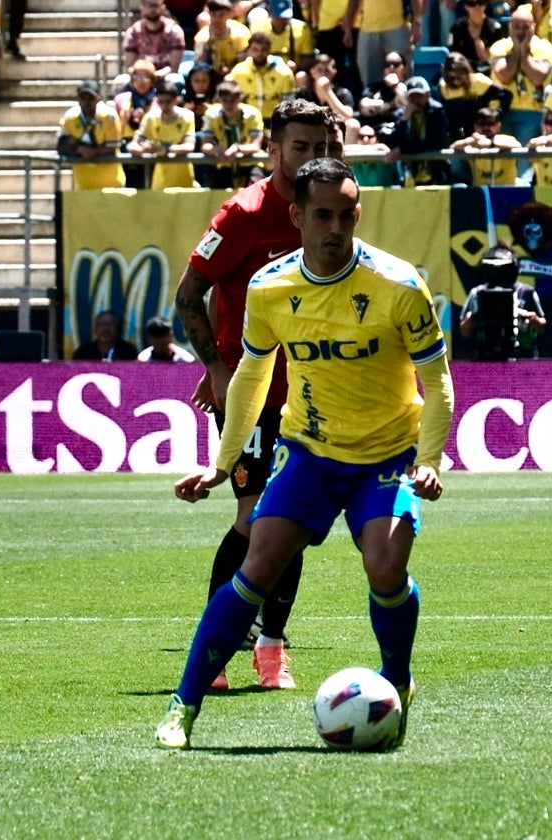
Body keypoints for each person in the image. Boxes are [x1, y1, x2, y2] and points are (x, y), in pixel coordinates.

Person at [157, 156, 455, 750]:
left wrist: (430, 459)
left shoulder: (399, 284)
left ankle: (397, 679)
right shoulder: (270, 289)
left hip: (388, 454)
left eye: (346, 214)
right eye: (321, 214)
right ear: (296, 216)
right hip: (311, 452)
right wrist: (221, 464)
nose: (335, 227)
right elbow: (251, 374)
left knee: (385, 566)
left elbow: (438, 380)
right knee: (258, 564)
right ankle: (183, 706)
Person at [174, 99, 331, 692]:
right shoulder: (243, 214)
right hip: (254, 393)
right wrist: (216, 367)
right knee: (255, 516)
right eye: (301, 147)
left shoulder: (328, 211)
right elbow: (190, 296)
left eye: (322, 147)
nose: (313, 158)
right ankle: (215, 646)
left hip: (316, 397)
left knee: (293, 522)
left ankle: (270, 649)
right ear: (274, 149)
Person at [459, 244, 546, 359]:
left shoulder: (526, 292)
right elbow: (464, 331)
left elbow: (542, 326)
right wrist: (473, 318)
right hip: (485, 357)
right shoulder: (477, 293)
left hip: (522, 357)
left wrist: (531, 318)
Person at [490, 6, 552, 147]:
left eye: (525, 27)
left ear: (533, 26)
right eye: (517, 27)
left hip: (533, 112)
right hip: (503, 112)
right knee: (505, 162)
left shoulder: (545, 47)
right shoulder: (499, 47)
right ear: (510, 26)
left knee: (524, 163)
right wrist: (516, 50)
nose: (520, 31)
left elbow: (538, 77)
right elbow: (505, 76)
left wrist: (524, 51)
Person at [127, 76, 197, 187]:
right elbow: (133, 145)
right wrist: (142, 149)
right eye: (161, 102)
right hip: (160, 181)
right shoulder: (151, 117)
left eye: (168, 101)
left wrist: (164, 149)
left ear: (176, 100)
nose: (164, 105)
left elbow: (189, 146)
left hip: (184, 179)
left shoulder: (187, 116)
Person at [57, 79, 126, 190]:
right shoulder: (70, 118)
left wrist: (93, 151)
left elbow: (113, 146)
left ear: (98, 98)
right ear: (77, 99)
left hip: (110, 181)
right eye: (82, 98)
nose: (86, 102)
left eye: (90, 98)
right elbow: (62, 145)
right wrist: (79, 149)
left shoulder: (109, 117)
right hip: (82, 183)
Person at [343, 0, 423, 93]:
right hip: (368, 30)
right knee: (370, 83)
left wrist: (417, 23)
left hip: (397, 28)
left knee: (403, 80)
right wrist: (348, 27)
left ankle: (406, 105)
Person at [384, 75, 450, 185]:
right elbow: (393, 142)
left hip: (435, 171)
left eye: (419, 96)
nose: (416, 101)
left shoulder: (437, 112)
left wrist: (402, 150)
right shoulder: (401, 114)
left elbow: (435, 142)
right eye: (412, 96)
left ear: (428, 95)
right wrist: (404, 120)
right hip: (409, 173)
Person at [200, 77, 264, 188]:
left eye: (233, 100)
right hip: (224, 162)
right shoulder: (211, 115)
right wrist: (216, 149)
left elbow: (255, 146)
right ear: (219, 99)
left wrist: (237, 148)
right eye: (225, 101)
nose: (229, 105)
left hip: (249, 161)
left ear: (240, 98)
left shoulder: (253, 114)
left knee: (256, 188)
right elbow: (205, 144)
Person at [437, 51, 513, 141]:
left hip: (480, 132)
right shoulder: (443, 86)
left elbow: (507, 95)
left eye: (459, 77)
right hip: (455, 134)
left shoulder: (479, 82)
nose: (455, 81)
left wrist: (497, 114)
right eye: (451, 78)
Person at [228, 30, 297, 125]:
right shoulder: (238, 71)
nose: (259, 53)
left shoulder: (283, 72)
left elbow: (289, 104)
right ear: (249, 50)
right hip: (247, 120)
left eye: (263, 49)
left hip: (274, 120)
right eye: (255, 49)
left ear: (269, 50)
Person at [115, 58, 158, 187]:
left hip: (149, 146)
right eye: (137, 77)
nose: (141, 81)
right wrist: (124, 120)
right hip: (126, 144)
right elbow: (115, 129)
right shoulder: (121, 99)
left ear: (152, 80)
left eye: (146, 77)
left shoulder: (158, 101)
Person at [450, 105, 520, 184]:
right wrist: (468, 141)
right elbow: (453, 147)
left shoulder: (507, 139)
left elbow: (518, 146)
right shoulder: (473, 143)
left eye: (490, 123)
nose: (486, 127)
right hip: (482, 192)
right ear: (475, 126)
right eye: (481, 124)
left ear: (498, 126)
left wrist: (490, 144)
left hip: (508, 190)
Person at [123, 0, 186, 80]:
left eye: (156, 5)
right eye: (149, 5)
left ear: (163, 7)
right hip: (139, 78)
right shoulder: (133, 32)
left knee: (174, 79)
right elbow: (130, 67)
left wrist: (153, 76)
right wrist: (143, 77)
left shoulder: (174, 31)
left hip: (165, 77)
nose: (153, 9)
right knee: (121, 81)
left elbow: (174, 68)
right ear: (141, 7)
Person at [249, 0, 314, 73]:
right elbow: (251, 54)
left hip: (292, 72)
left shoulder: (302, 29)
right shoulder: (258, 28)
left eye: (285, 16)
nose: (281, 20)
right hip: (263, 70)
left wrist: (298, 67)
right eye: (277, 16)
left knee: (302, 76)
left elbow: (308, 56)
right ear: (270, 12)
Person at [194, 0, 250, 78]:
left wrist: (230, 71)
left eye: (221, 15)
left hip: (236, 73)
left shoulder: (241, 32)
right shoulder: (202, 37)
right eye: (214, 15)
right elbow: (199, 63)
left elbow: (245, 59)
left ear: (229, 14)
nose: (217, 19)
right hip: (211, 76)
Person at [358, 49, 408, 132]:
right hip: (375, 131)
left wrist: (395, 86)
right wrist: (392, 104)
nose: (391, 68)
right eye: (387, 65)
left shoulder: (409, 86)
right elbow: (364, 107)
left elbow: (406, 104)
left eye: (395, 64)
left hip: (398, 131)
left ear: (404, 68)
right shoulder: (374, 87)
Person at [449, 0, 502, 75]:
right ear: (466, 6)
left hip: (488, 71)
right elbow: (453, 54)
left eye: (480, 3)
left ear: (485, 5)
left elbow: (494, 60)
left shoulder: (495, 28)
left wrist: (477, 40)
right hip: (464, 71)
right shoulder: (457, 28)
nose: (477, 7)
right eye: (472, 4)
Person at [73, 310, 139, 360]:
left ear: (118, 328)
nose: (106, 328)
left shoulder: (128, 351)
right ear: (95, 329)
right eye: (102, 324)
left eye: (111, 324)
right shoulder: (84, 352)